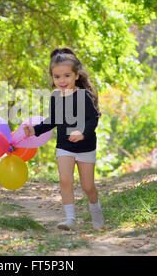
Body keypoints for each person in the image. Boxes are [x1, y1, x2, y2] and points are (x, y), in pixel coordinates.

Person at [23, 47, 103, 230]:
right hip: (64, 146)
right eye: (57, 77)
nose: (61, 80)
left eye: (66, 75)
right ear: (52, 78)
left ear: (76, 75)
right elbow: (53, 121)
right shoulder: (55, 97)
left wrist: (82, 133)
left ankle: (96, 210)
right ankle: (70, 219)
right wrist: (34, 130)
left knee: (88, 186)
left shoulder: (84, 96)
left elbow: (93, 119)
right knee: (65, 180)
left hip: (86, 147)